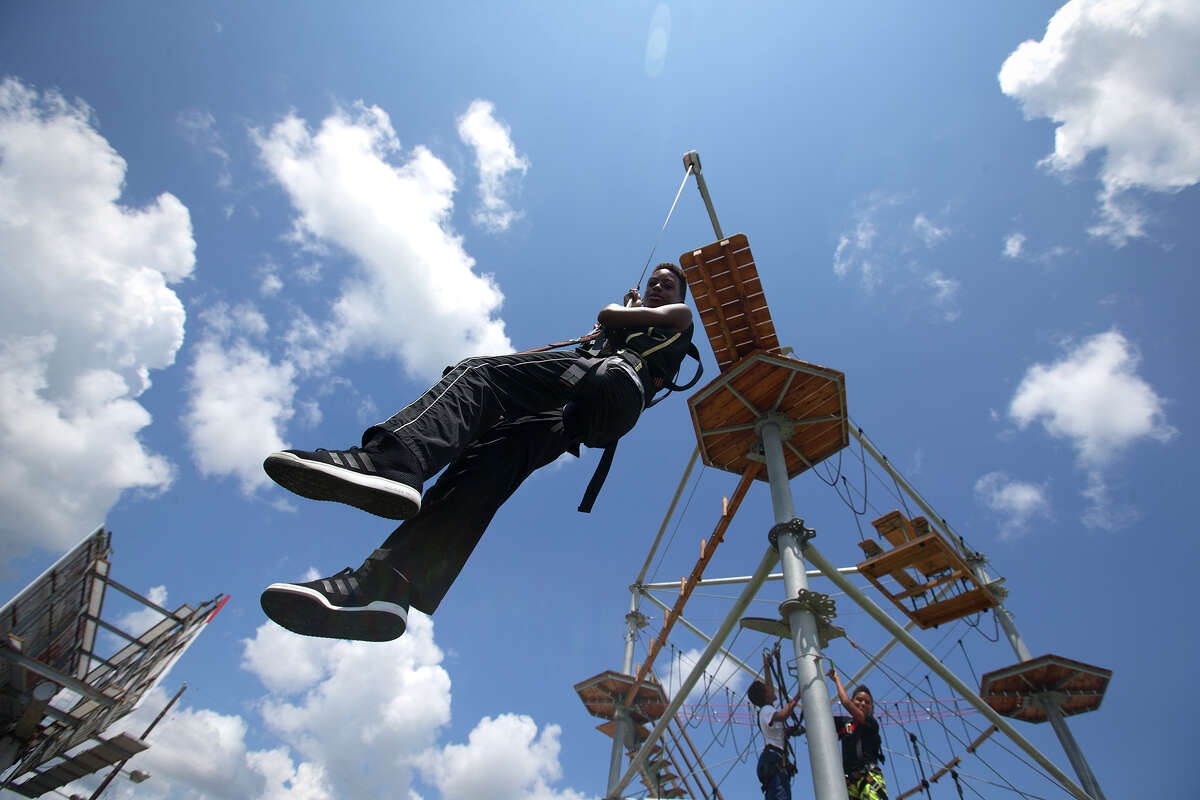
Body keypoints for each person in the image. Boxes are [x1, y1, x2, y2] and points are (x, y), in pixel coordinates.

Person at [258, 264, 694, 642]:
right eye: (653, 282)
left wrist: (625, 310)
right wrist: (623, 322)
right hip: (576, 414)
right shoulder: (637, 326)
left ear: (679, 297)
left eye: (666, 285)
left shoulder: (678, 316)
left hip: (609, 385)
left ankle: (393, 460)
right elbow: (613, 324)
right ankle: (386, 586)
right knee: (480, 470)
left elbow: (607, 315)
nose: (658, 288)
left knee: (480, 374)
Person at [748, 650, 801, 800]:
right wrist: (797, 696)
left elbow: (769, 684)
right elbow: (783, 715)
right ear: (765, 695)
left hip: (776, 761)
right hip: (773, 760)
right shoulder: (766, 710)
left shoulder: (766, 708)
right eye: (768, 689)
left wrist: (766, 664)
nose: (771, 688)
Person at [827, 667, 887, 800]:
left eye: (867, 702)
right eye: (859, 700)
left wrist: (836, 680)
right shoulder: (845, 723)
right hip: (850, 784)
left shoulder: (871, 723)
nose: (863, 703)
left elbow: (846, 703)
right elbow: (823, 718)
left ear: (872, 709)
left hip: (869, 777)